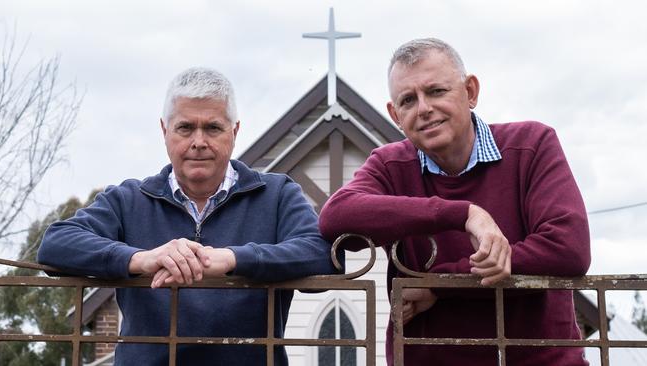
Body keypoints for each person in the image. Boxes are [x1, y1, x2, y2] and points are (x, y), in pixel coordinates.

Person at [37, 67, 340, 365]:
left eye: (212, 128)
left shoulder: (277, 195)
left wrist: (232, 259)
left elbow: (322, 254)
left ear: (234, 132)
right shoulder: (127, 200)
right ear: (164, 131)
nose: (198, 141)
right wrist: (142, 259)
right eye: (185, 128)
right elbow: (56, 243)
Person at [319, 38, 591, 366]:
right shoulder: (390, 165)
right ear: (395, 115)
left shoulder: (531, 145)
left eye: (436, 91)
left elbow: (568, 249)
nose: (424, 109)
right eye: (408, 100)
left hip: (537, 359)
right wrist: (462, 213)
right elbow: (335, 216)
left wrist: (440, 285)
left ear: (471, 91)